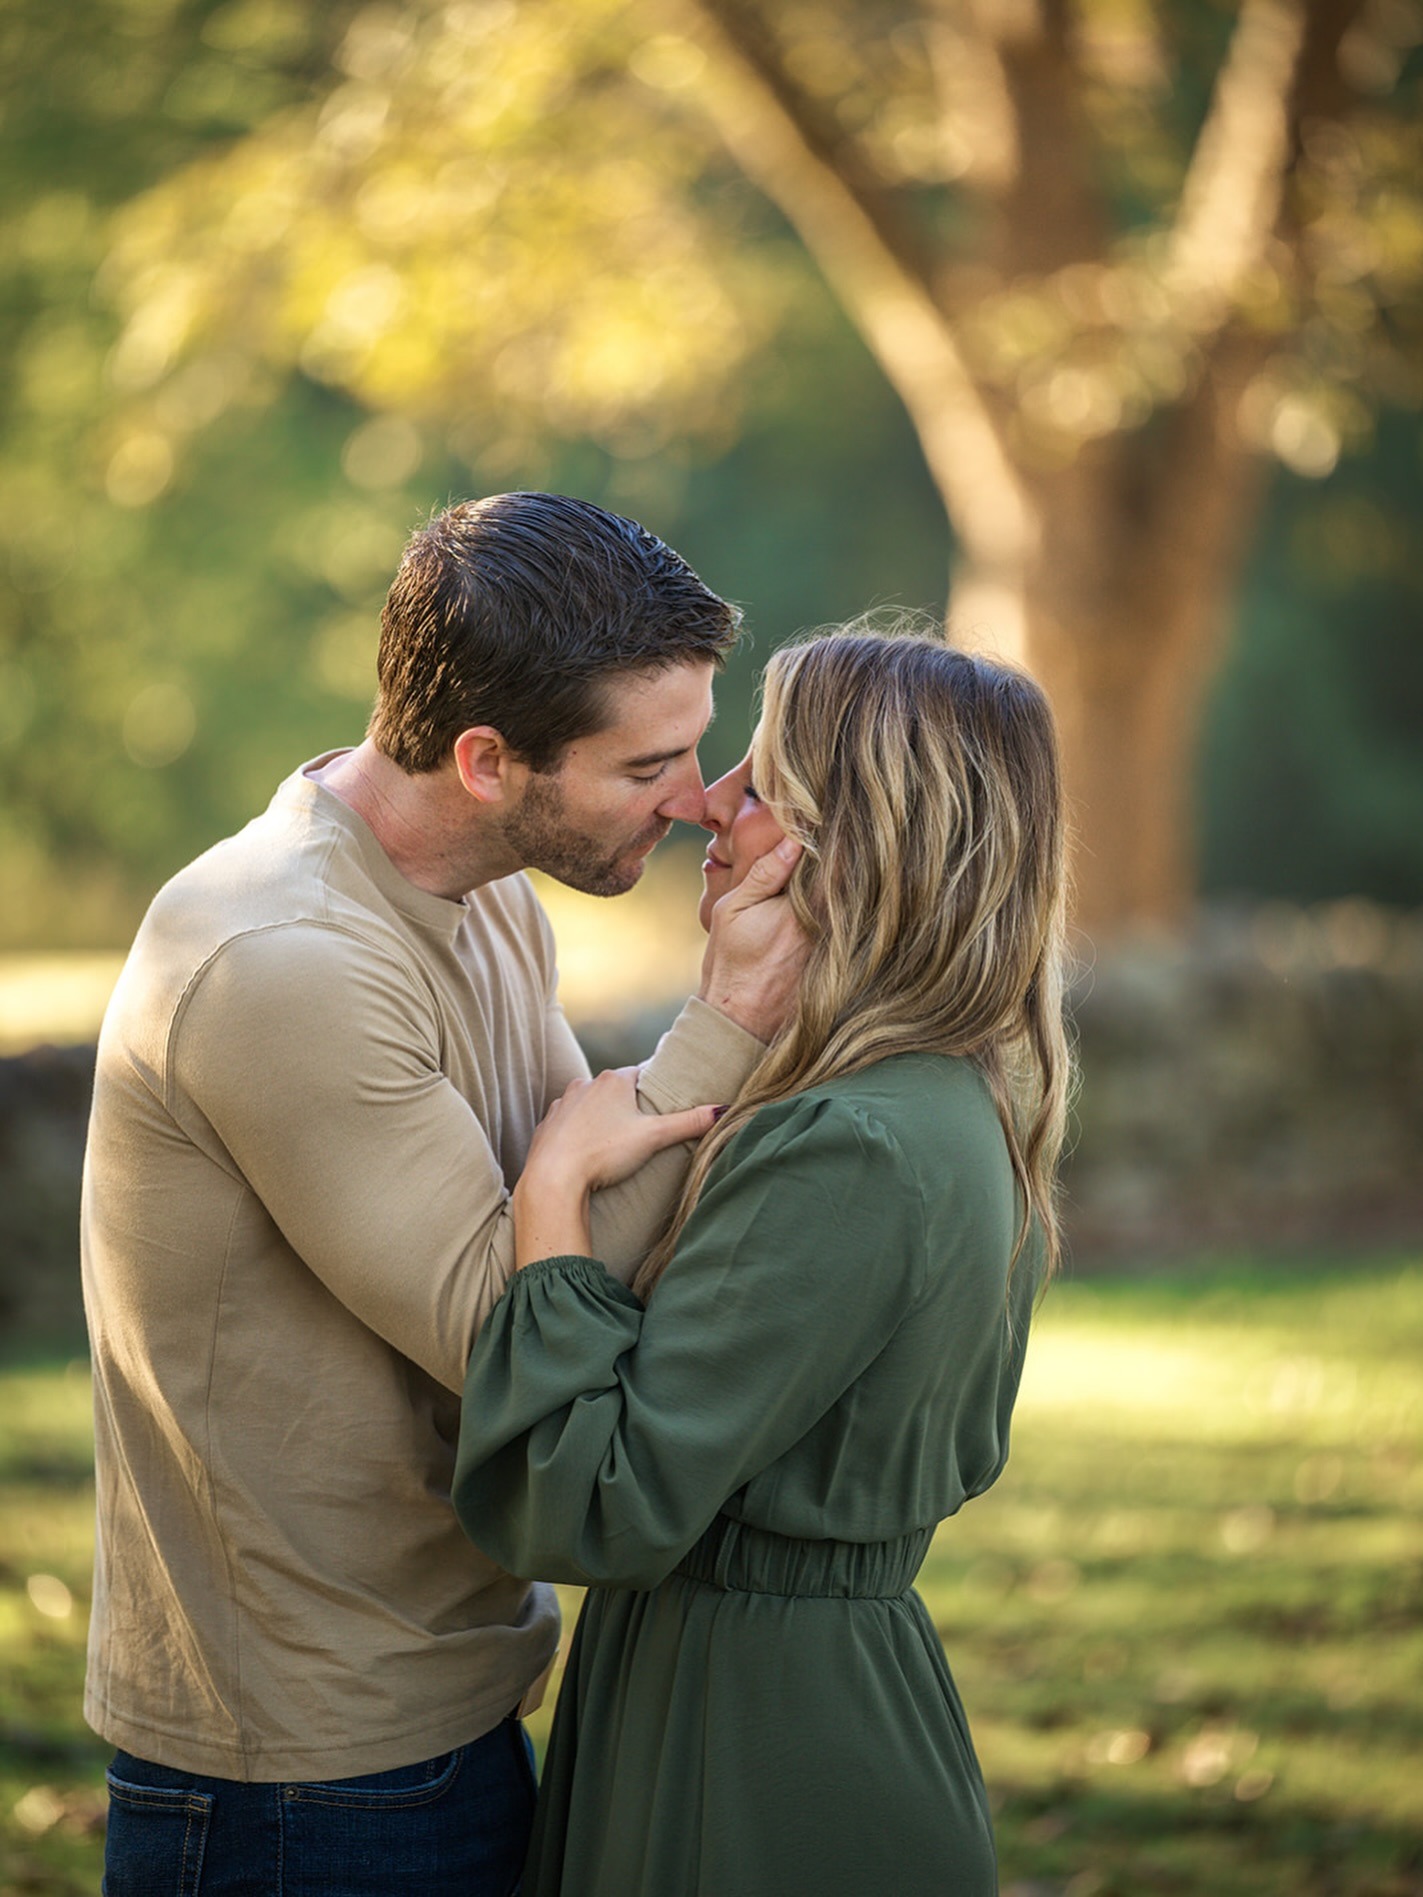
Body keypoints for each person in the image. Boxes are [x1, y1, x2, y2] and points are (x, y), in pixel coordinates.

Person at [80, 492, 806, 1896]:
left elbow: (594, 1231)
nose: (699, 800)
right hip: (298, 1777)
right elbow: (517, 1333)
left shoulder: (489, 902)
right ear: (484, 759)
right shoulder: (280, 961)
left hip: (447, 1702)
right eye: (647, 763)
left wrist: (604, 1149)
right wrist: (727, 1013)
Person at [452, 625, 1073, 1897]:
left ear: (856, 839)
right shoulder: (941, 1096)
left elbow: (593, 1504)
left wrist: (554, 1193)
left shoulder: (849, 1146)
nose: (708, 804)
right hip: (793, 1703)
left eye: (761, 777)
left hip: (751, 1758)